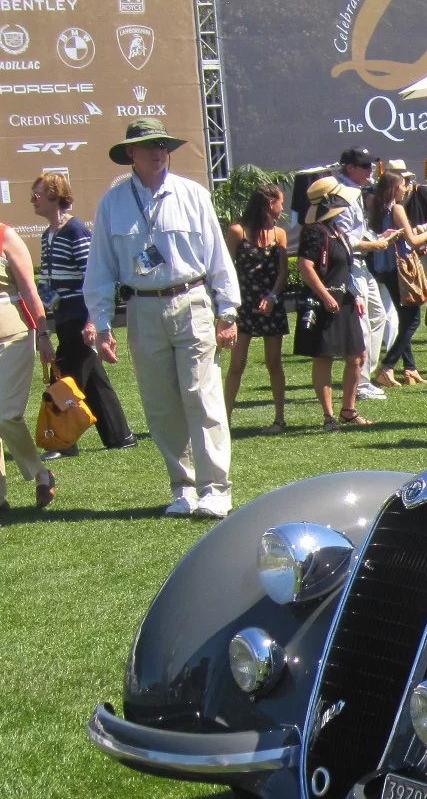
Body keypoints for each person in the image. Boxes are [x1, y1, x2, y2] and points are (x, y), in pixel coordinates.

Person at [83, 119, 240, 518]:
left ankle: (215, 488)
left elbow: (218, 255)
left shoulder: (192, 194)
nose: (157, 151)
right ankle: (183, 487)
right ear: (130, 154)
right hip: (141, 307)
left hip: (191, 301)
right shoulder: (112, 203)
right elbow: (99, 267)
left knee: (202, 395)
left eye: (162, 144)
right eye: (148, 145)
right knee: (160, 403)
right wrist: (100, 324)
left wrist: (228, 310)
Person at [32, 172, 134, 453]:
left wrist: (93, 320)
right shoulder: (47, 235)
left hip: (80, 316)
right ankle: (120, 436)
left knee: (64, 378)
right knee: (93, 380)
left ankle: (63, 440)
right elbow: (47, 281)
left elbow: (94, 276)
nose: (33, 200)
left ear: (55, 196)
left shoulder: (76, 230)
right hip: (63, 316)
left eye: (38, 194)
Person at [295, 178, 370, 431]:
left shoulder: (337, 229)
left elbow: (345, 269)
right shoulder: (315, 231)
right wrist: (325, 296)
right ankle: (328, 416)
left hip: (345, 301)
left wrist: (355, 295)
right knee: (324, 357)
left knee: (357, 355)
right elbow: (305, 266)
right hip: (324, 303)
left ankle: (348, 410)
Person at [328, 148, 394, 402]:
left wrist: (377, 239)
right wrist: (374, 245)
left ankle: (366, 375)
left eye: (370, 165)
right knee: (363, 323)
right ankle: (361, 382)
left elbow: (359, 231)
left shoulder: (354, 192)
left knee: (378, 316)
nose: (369, 171)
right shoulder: (340, 194)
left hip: (361, 265)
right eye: (364, 166)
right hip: (350, 266)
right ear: (349, 168)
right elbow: (343, 240)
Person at [222, 181, 288, 431]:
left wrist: (272, 296)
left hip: (271, 303)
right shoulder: (238, 231)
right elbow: (226, 268)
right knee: (237, 364)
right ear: (270, 203)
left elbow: (282, 272)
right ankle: (224, 421)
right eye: (280, 202)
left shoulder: (279, 234)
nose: (282, 208)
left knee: (274, 362)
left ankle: (279, 419)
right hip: (244, 304)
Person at [0, 220, 54, 512]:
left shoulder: (6, 236)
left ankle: (42, 473)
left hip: (15, 335)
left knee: (6, 415)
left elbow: (30, 291)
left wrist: (44, 334)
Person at [369, 171, 427, 387]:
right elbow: (413, 239)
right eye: (402, 185)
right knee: (413, 318)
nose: (406, 188)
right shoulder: (397, 208)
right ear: (393, 188)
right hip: (400, 267)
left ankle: (410, 368)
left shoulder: (377, 208)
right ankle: (387, 366)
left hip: (385, 266)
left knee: (404, 316)